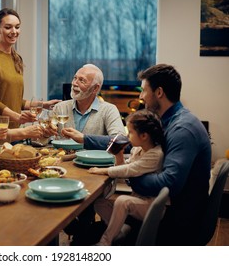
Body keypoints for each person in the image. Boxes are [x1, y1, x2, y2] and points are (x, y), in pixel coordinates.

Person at [84, 64, 211, 245]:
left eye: (144, 91)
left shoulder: (182, 129)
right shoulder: (167, 121)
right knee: (97, 216)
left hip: (176, 224)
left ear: (159, 92)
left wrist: (132, 174)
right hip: (170, 212)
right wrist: (84, 138)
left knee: (87, 237)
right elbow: (129, 144)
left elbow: (169, 184)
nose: (141, 96)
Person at [53, 63, 125, 245]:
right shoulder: (61, 108)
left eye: (82, 80)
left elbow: (121, 140)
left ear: (96, 88)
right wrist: (44, 132)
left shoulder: (108, 109)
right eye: (75, 78)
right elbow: (46, 138)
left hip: (94, 173)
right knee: (51, 207)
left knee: (82, 204)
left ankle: (81, 238)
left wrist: (84, 138)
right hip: (63, 169)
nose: (75, 83)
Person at [0, 8, 60, 129]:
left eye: (17, 27)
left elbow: (15, 100)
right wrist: (18, 117)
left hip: (14, 129)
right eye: (8, 27)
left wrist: (43, 105)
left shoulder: (16, 58)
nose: (14, 31)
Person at [88, 109, 165, 246]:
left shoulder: (155, 154)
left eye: (130, 132)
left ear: (144, 136)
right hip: (137, 199)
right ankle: (120, 227)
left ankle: (105, 241)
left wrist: (102, 170)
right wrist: (119, 155)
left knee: (122, 201)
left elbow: (130, 170)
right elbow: (124, 171)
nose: (127, 135)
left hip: (151, 205)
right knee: (100, 203)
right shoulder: (137, 149)